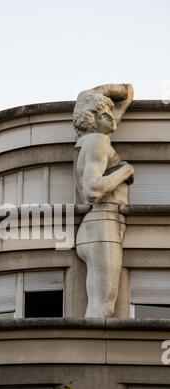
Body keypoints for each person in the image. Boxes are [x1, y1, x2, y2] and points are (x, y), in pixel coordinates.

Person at [73, 83, 134, 318]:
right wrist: (125, 171)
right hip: (103, 223)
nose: (114, 121)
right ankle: (93, 354)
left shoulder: (89, 139)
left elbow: (127, 92)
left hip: (98, 226)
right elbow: (91, 190)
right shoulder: (99, 142)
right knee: (104, 305)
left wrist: (99, 97)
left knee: (100, 303)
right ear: (94, 118)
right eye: (108, 116)